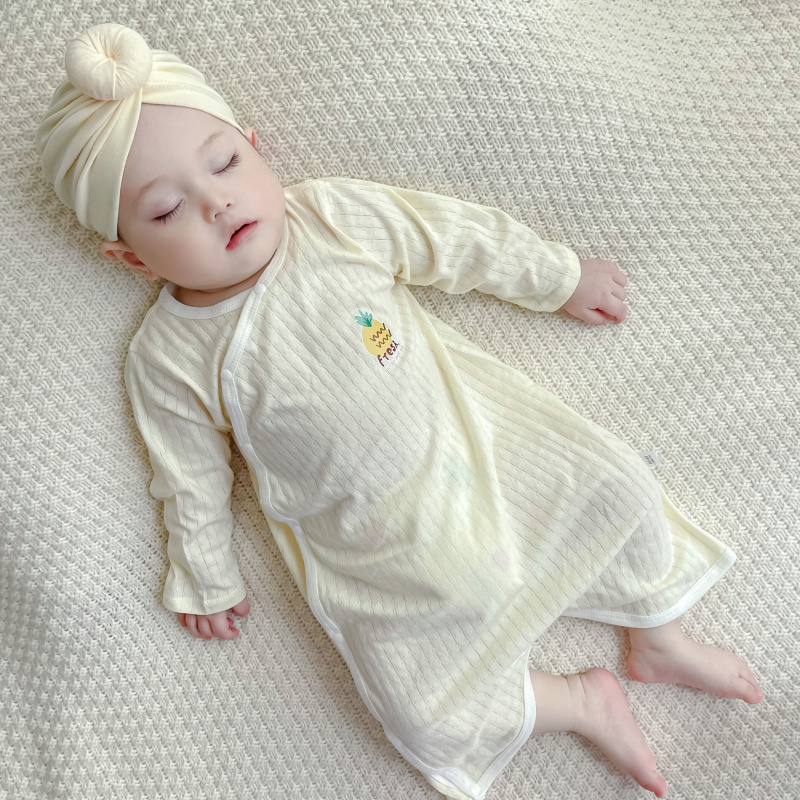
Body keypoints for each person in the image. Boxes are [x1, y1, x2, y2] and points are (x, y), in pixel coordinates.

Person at [36, 22, 764, 800]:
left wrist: (559, 277)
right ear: (131, 258)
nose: (216, 203)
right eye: (166, 210)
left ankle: (659, 635)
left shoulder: (330, 220)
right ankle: (579, 701)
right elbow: (187, 478)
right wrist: (205, 575)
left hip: (482, 450)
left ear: (256, 148)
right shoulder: (168, 356)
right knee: (420, 715)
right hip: (380, 551)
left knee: (618, 487)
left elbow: (453, 238)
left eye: (224, 164)